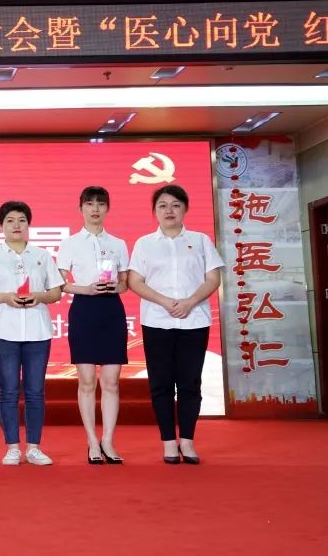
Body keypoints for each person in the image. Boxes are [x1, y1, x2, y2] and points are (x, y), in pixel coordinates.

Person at [128, 185, 223, 465]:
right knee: (161, 384)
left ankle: (188, 440)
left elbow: (213, 279)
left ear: (185, 209)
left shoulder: (200, 240)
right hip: (157, 321)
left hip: (194, 321)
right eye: (162, 205)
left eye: (175, 205)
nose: (169, 210)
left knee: (190, 383)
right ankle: (169, 441)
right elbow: (135, 281)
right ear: (154, 211)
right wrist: (165, 301)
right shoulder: (144, 243)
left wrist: (190, 301)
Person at [0, 201, 64, 466]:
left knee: (35, 391)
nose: (16, 225)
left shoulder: (42, 255)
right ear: (0, 225)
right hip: (4, 332)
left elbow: (56, 292)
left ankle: (34, 447)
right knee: (9, 390)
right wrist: (5, 297)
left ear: (28, 224)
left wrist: (38, 296)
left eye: (22, 220)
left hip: (38, 331)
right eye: (10, 220)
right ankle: (12, 447)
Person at [58, 186, 130, 465]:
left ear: (107, 208)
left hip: (111, 309)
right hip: (84, 309)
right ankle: (91, 441)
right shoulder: (70, 243)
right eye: (89, 204)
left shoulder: (119, 243)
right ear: (81, 209)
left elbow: (125, 283)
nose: (95, 209)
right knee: (87, 381)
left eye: (101, 204)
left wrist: (116, 287)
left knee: (111, 382)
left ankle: (108, 440)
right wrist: (85, 289)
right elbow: (59, 283)